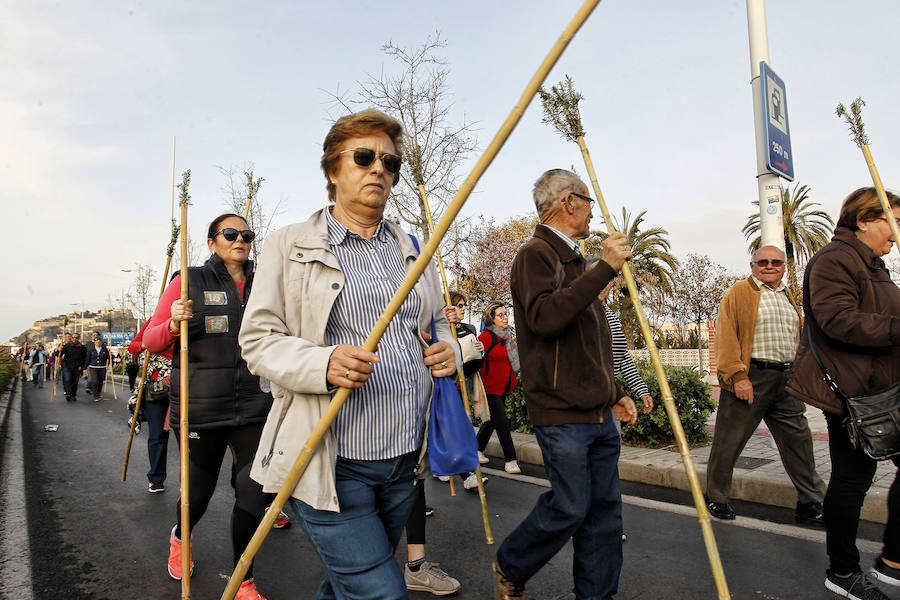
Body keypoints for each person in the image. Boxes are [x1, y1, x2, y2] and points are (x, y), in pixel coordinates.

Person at [238, 108, 460, 600]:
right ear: (333, 170)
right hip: (330, 459)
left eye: (390, 162)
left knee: (347, 587)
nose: (379, 168)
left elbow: (436, 323)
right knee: (382, 592)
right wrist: (324, 363)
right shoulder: (287, 246)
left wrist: (449, 350)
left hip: (404, 457)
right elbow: (257, 341)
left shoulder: (413, 249)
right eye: (364, 157)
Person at [495, 168, 635, 600]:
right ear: (568, 202)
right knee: (571, 506)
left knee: (604, 519)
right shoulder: (535, 254)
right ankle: (511, 564)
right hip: (561, 414)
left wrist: (616, 392)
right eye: (588, 199)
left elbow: (592, 346)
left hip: (597, 414)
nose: (593, 209)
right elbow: (545, 319)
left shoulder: (579, 263)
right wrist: (604, 270)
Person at [143, 212, 273, 600]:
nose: (240, 240)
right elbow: (150, 340)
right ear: (213, 242)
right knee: (198, 494)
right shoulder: (188, 280)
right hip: (201, 408)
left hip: (254, 404)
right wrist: (172, 324)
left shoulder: (265, 282)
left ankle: (243, 579)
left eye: (247, 234)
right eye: (230, 233)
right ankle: (181, 539)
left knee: (253, 493)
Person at [786, 187, 900, 600]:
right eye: (894, 220)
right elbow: (839, 320)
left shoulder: (875, 265)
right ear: (865, 220)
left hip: (885, 389)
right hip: (853, 394)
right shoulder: (835, 260)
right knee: (852, 480)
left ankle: (893, 560)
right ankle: (843, 571)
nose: (897, 231)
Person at [706, 244, 827, 523]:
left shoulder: (788, 295)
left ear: (784, 266)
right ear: (752, 266)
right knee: (729, 441)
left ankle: (811, 501)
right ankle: (717, 496)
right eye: (763, 262)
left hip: (786, 379)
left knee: (799, 441)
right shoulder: (739, 292)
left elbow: (797, 338)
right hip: (752, 377)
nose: (769, 266)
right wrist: (737, 376)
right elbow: (726, 336)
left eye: (775, 262)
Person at [476, 302, 522, 474]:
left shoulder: (508, 337)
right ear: (492, 318)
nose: (505, 317)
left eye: (506, 313)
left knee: (491, 421)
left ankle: (476, 450)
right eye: (500, 315)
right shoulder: (486, 336)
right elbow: (475, 356)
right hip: (489, 388)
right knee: (502, 422)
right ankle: (510, 460)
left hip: (503, 386)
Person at [128, 320, 172, 494]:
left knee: (189, 437)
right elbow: (133, 346)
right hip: (156, 387)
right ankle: (156, 478)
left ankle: (192, 482)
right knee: (157, 434)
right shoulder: (154, 321)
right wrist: (148, 344)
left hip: (186, 384)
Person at [58, 333, 86, 402]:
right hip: (67, 366)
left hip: (77, 366)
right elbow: (59, 355)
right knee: (68, 379)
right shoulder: (67, 346)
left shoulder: (82, 347)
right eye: (73, 337)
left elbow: (84, 358)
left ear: (78, 338)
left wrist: (82, 366)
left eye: (76, 338)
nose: (74, 339)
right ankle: (69, 394)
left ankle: (73, 394)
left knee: (75, 381)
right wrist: (59, 350)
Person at [83, 331, 110, 402]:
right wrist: (85, 367)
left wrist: (109, 363)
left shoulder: (104, 349)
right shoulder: (91, 349)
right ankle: (96, 396)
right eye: (96, 342)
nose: (98, 343)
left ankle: (98, 393)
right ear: (94, 342)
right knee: (95, 381)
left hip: (102, 367)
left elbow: (108, 357)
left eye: (99, 342)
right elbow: (88, 358)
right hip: (93, 367)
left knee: (100, 381)